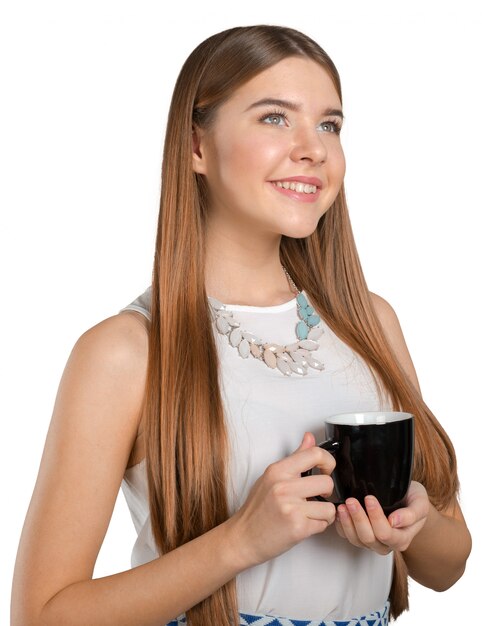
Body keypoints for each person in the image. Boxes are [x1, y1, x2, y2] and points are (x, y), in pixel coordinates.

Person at [11, 24, 471, 626]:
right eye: (275, 118)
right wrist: (240, 542)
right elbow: (41, 616)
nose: (314, 148)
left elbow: (450, 565)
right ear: (196, 147)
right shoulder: (128, 352)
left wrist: (411, 521)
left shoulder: (369, 323)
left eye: (329, 124)